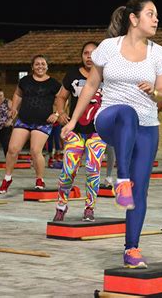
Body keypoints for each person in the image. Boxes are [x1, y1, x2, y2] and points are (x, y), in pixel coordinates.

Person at [60, 0, 162, 268]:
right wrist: (74, 120)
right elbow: (90, 85)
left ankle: (131, 249)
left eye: (156, 14)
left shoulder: (160, 54)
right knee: (127, 112)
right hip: (110, 119)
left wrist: (154, 92)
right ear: (134, 19)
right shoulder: (108, 47)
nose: (156, 19)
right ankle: (121, 179)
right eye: (150, 14)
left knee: (141, 191)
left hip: (146, 128)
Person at [52, 41, 107, 222]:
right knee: (68, 170)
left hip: (97, 131)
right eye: (86, 53)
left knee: (93, 169)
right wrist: (60, 113)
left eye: (93, 53)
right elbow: (61, 97)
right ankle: (61, 205)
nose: (89, 56)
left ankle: (89, 207)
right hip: (75, 131)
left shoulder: (107, 75)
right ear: (81, 56)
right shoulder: (72, 75)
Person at [0, 55, 60, 193]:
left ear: (47, 66)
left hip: (43, 122)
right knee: (12, 149)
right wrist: (14, 108)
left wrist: (56, 114)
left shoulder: (54, 84)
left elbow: (62, 100)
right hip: (24, 119)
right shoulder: (25, 80)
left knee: (35, 150)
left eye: (43, 64)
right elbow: (18, 94)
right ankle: (7, 178)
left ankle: (39, 179)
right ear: (32, 67)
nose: (40, 66)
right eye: (37, 64)